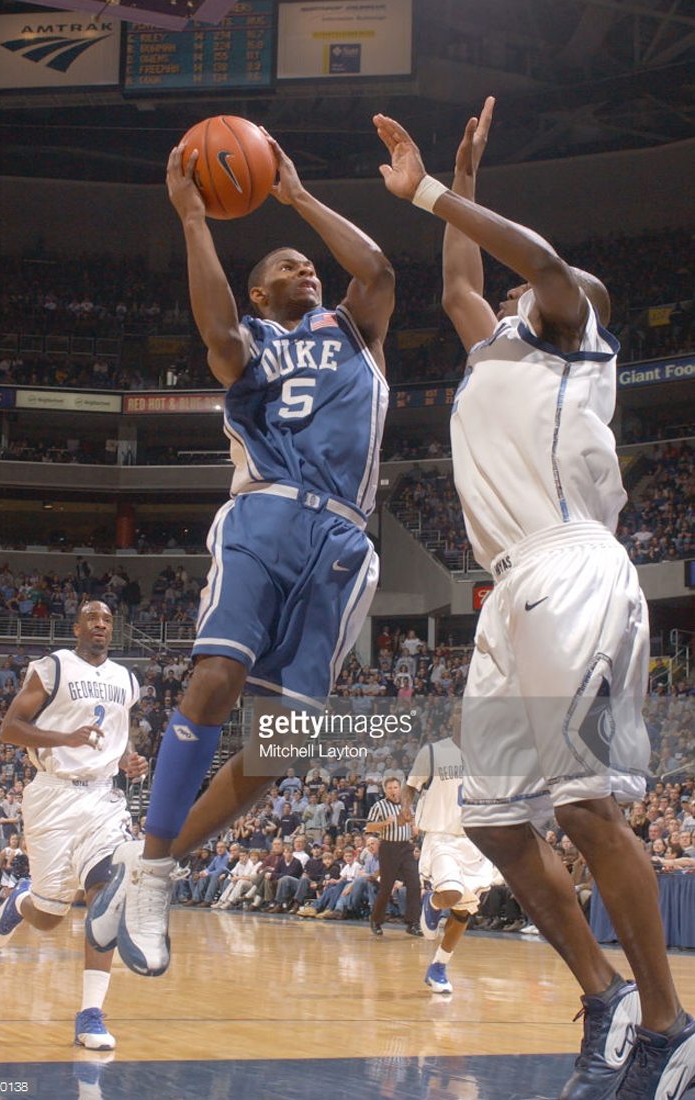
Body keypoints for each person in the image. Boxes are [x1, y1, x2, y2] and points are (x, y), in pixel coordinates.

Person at [374, 100, 695, 1098]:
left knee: (584, 806)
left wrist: (431, 193)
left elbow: (542, 265)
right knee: (494, 818)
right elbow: (461, 279)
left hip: (569, 567)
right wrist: (460, 179)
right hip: (504, 592)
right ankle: (601, 996)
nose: (511, 291)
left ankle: (671, 1025)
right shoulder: (496, 348)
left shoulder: (569, 332)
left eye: (532, 288)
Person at [88, 127, 394, 977]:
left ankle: (149, 865)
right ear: (262, 291)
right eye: (290, 266)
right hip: (264, 513)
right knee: (216, 679)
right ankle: (153, 874)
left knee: (287, 742)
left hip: (343, 535)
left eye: (309, 265)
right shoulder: (252, 342)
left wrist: (296, 195)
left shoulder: (355, 331)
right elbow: (218, 325)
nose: (309, 271)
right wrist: (193, 217)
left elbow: (380, 270)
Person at [0, 600, 147, 1051]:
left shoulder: (126, 679)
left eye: (107, 619)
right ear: (77, 627)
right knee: (49, 917)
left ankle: (91, 1013)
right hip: (52, 796)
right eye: (92, 618)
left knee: (108, 891)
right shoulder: (53, 668)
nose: (100, 625)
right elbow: (10, 729)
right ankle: (21, 902)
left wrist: (127, 758)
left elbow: (116, 735)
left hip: (103, 798)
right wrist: (64, 738)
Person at [401, 732, 494, 994]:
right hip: (441, 836)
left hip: (475, 841)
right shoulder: (432, 752)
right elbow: (410, 786)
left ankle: (438, 967)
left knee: (463, 912)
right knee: (450, 893)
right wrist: (406, 809)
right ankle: (432, 901)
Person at [364, 777, 422, 937]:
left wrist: (415, 827)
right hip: (388, 847)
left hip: (406, 847)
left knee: (415, 884)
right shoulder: (379, 806)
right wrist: (384, 823)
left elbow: (412, 821)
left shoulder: (407, 804)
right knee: (386, 887)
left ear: (400, 788)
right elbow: (369, 826)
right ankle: (376, 920)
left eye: (396, 787)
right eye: (389, 788)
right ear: (385, 790)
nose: (393, 790)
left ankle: (413, 923)